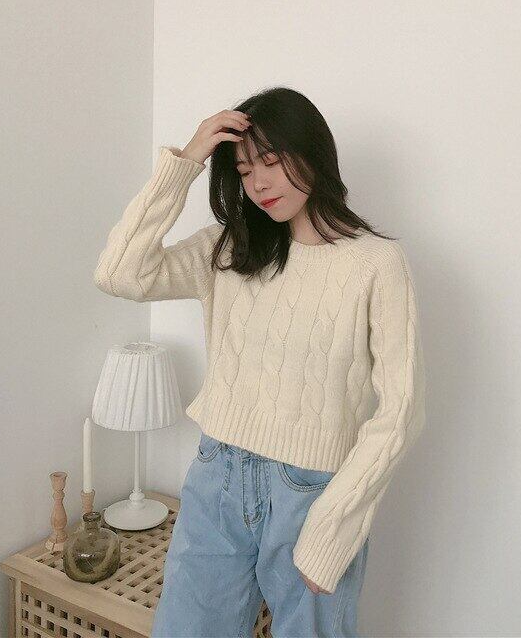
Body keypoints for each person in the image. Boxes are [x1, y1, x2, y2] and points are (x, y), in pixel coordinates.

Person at [93, 86, 426, 638]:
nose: (260, 184)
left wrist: (333, 529)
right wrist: (186, 162)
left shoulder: (376, 263)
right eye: (246, 171)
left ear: (313, 153)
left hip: (311, 493)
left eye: (271, 162)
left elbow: (402, 411)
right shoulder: (229, 248)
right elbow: (118, 273)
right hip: (216, 475)